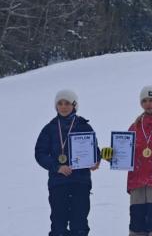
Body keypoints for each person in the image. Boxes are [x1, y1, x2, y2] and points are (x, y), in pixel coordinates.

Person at [102, 86, 152, 236]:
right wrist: (112, 156)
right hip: (137, 183)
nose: (148, 103)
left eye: (151, 100)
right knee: (137, 225)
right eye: (144, 101)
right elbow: (126, 151)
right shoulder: (136, 126)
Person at [35, 89, 101, 236]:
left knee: (80, 225)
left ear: (74, 105)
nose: (63, 107)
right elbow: (40, 153)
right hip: (58, 183)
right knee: (58, 225)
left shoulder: (84, 126)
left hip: (80, 182)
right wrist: (57, 167)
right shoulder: (50, 128)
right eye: (60, 103)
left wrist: (95, 161)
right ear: (56, 106)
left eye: (67, 103)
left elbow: (95, 150)